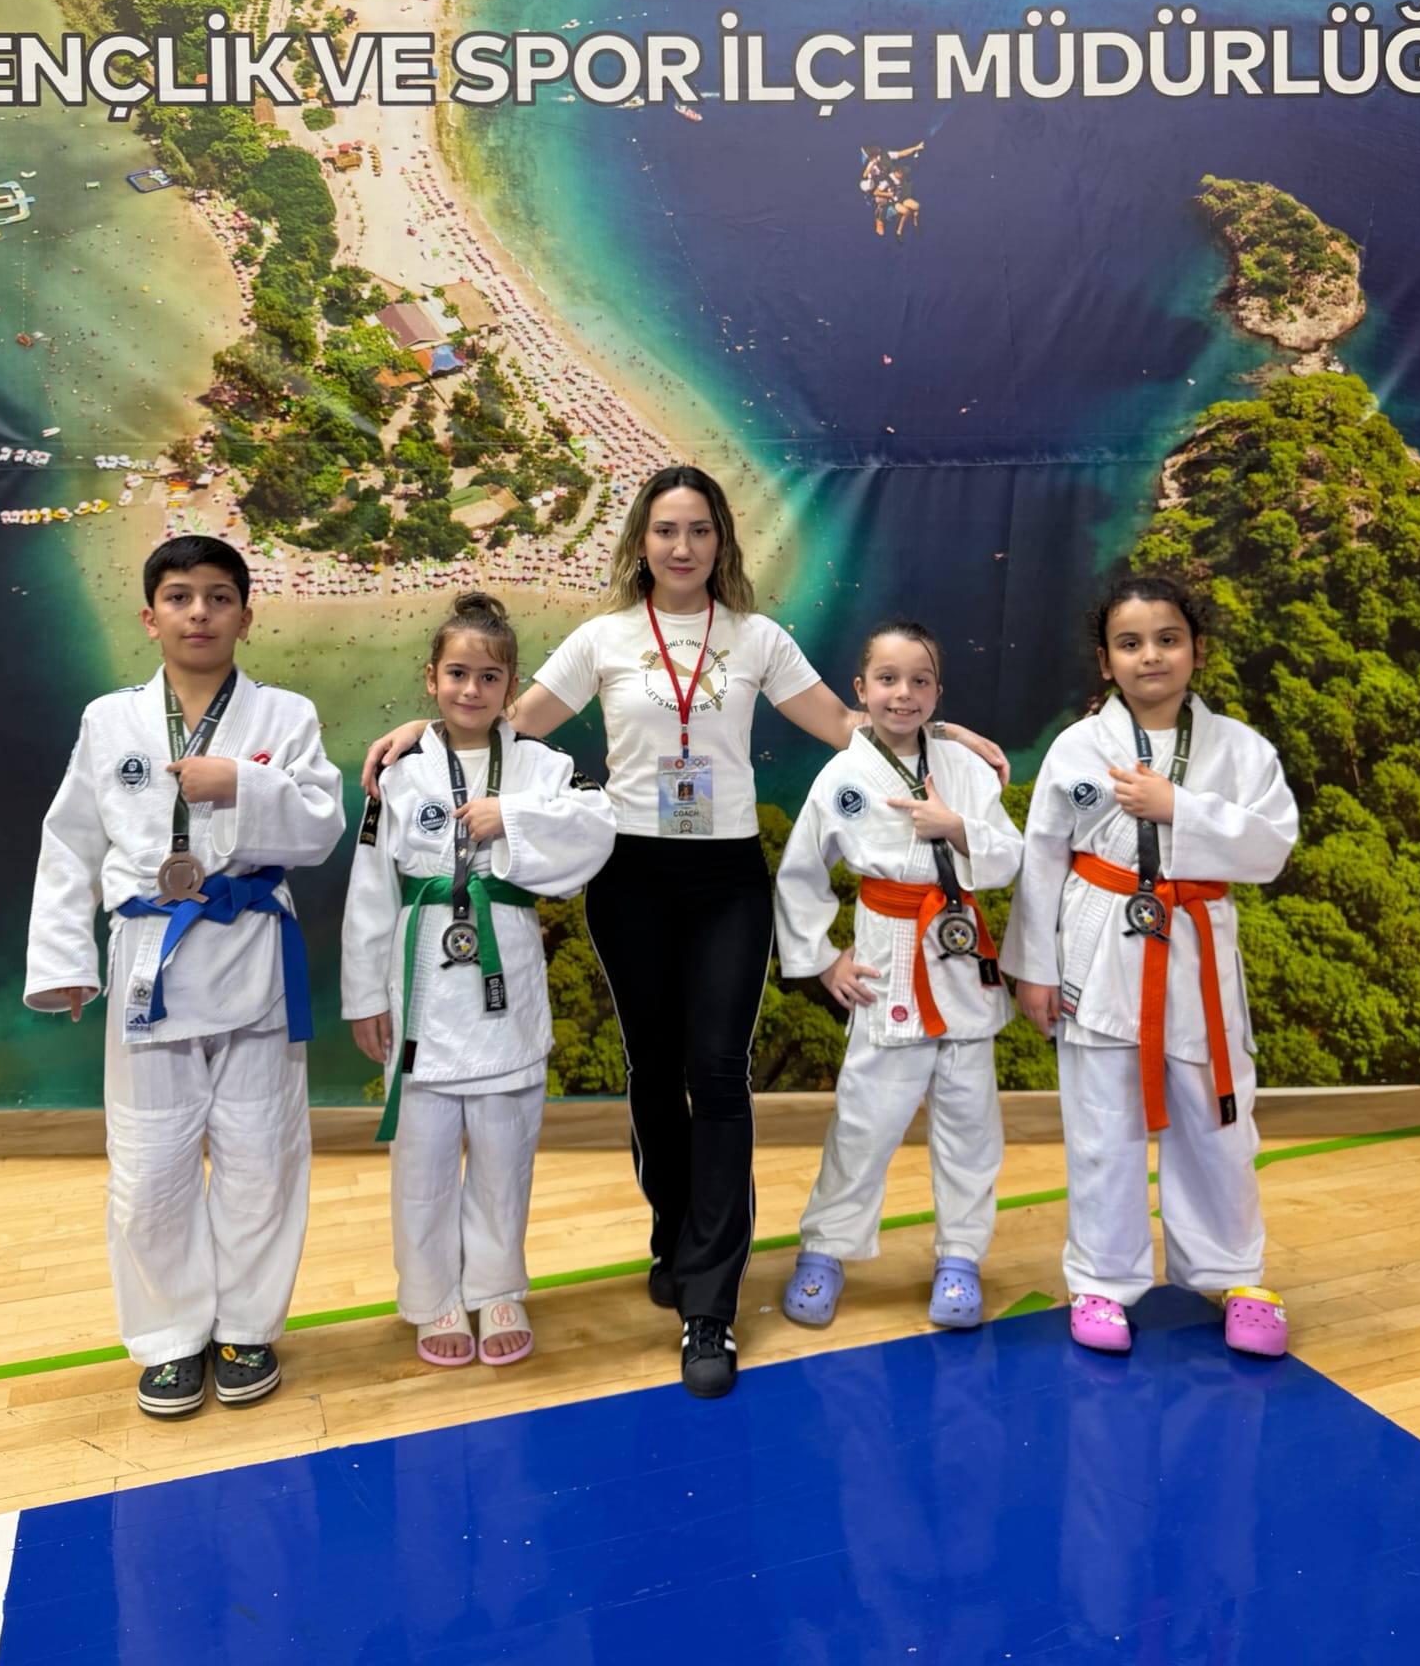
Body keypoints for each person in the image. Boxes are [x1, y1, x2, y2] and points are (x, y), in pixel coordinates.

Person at [363, 467, 1008, 1399]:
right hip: (629, 875)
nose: (681, 546)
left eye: (699, 529)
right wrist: (421, 731)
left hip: (726, 881)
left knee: (719, 1072)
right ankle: (675, 1235)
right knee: (654, 1073)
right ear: (642, 540)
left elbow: (848, 725)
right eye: (666, 529)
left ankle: (711, 1302)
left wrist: (943, 735)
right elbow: (505, 722)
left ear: (720, 542)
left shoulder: (756, 638)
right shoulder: (604, 638)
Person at [24, 535, 345, 1418]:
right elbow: (71, 842)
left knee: (261, 1155)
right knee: (150, 1162)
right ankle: (169, 1338)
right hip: (148, 961)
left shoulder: (286, 715)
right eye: (178, 597)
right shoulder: (109, 720)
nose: (198, 612)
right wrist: (64, 959)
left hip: (251, 952)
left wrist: (239, 781)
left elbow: (322, 826)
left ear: (246, 614)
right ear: (149, 616)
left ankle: (246, 1326)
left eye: (216, 597)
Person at [1000, 575, 1299, 1357]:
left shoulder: (1241, 749)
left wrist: (1181, 810)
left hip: (1196, 942)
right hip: (1099, 941)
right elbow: (1042, 859)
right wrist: (1033, 968)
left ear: (1197, 649)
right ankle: (1102, 1280)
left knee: (1217, 1119)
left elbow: (1272, 848)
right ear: (1106, 661)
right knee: (1102, 1122)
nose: (1151, 656)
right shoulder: (1077, 747)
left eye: (1168, 639)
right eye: (1130, 643)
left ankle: (1234, 1272)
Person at [341, 592, 616, 1368]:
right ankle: (432, 1296)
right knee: (423, 1159)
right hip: (423, 977)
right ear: (431, 677)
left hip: (506, 976)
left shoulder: (542, 765)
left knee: (504, 1152)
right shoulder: (398, 773)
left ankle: (497, 1286)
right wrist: (363, 997)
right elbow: (369, 890)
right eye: (457, 673)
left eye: (489, 677)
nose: (471, 689)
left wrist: (513, 819)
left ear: (510, 686)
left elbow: (598, 827)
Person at [774, 619, 1023, 1333]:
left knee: (971, 1128)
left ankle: (961, 1257)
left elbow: (1010, 855)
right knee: (862, 1122)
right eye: (887, 679)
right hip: (886, 958)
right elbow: (800, 872)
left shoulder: (964, 767)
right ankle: (825, 1250)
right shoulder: (841, 776)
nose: (903, 694)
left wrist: (957, 827)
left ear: (938, 693)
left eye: (919, 681)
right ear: (862, 689)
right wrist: (823, 957)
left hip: (960, 957)